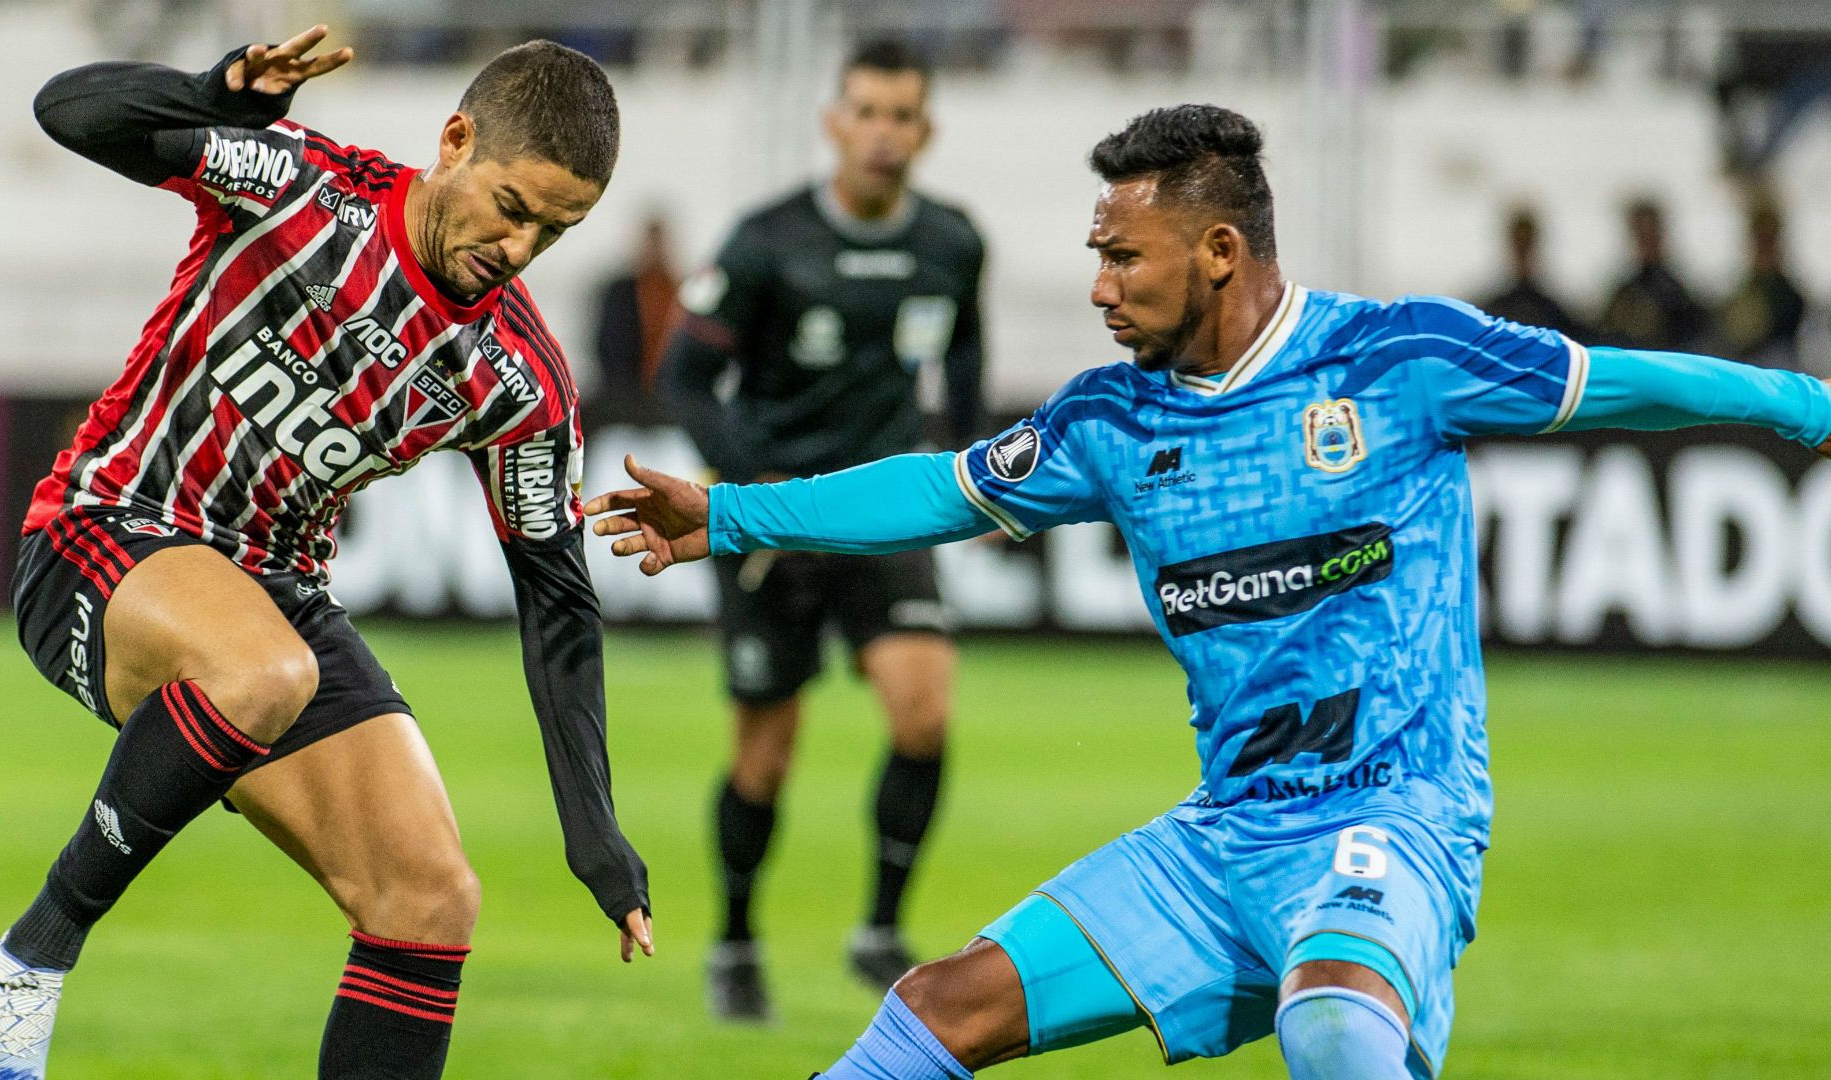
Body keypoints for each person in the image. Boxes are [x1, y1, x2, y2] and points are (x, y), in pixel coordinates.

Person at [586, 104, 1831, 1078]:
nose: (1097, 286)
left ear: (1220, 251)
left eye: (1123, 256)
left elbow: (1614, 380)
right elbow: (940, 488)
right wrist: (735, 510)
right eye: (1095, 257)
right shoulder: (1111, 422)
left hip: (1393, 819)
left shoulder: (1391, 360)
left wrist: (1806, 405)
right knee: (935, 1009)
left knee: (1336, 1025)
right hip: (1226, 839)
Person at [0, 27, 653, 1080]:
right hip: (104, 533)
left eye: (553, 234)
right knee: (264, 670)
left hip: (277, 594)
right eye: (512, 209)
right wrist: (215, 94)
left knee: (429, 898)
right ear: (455, 141)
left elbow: (557, 599)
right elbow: (69, 109)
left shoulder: (517, 379)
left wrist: (594, 831)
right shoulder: (296, 184)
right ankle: (33, 955)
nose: (517, 250)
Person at [659, 37, 986, 1021]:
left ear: (925, 130)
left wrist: (969, 470)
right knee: (767, 753)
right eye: (869, 113)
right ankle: (735, 941)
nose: (884, 134)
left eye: (903, 116)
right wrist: (751, 490)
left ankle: (879, 929)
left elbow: (964, 353)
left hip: (885, 513)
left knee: (923, 710)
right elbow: (683, 376)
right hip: (775, 521)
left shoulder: (953, 241)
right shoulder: (767, 242)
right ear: (834, 123)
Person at [1597, 197, 1711, 352]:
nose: (1646, 241)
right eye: (1641, 234)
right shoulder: (1624, 294)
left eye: (1650, 234)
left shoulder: (1680, 295)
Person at [593, 213, 680, 408]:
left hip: (666, 396)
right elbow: (608, 342)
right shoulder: (620, 291)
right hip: (625, 394)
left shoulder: (675, 289)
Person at [1718, 197, 1809, 370]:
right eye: (1760, 240)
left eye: (1767, 239)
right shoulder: (1743, 290)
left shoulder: (1790, 294)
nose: (1763, 247)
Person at [1478, 206, 1588, 341]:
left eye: (1526, 244)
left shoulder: (1553, 312)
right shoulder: (1492, 310)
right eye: (1520, 245)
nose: (1523, 252)